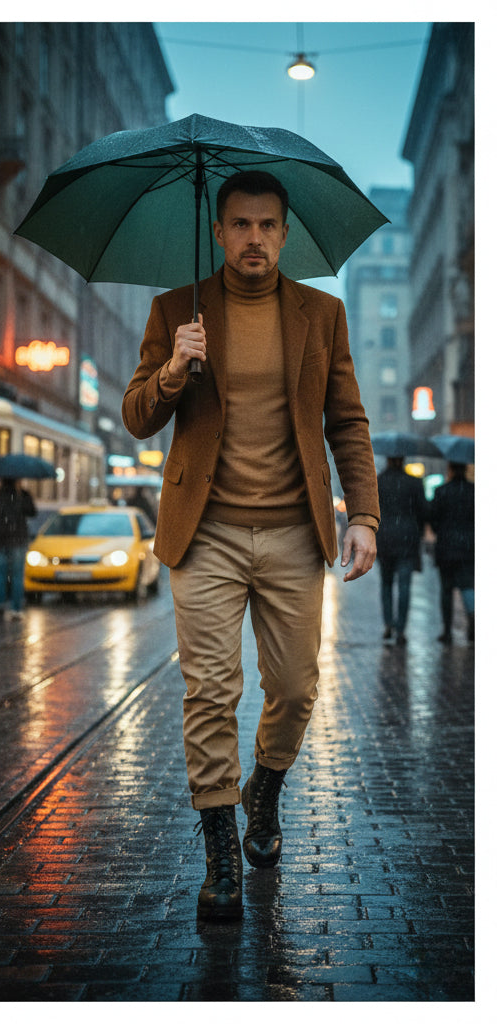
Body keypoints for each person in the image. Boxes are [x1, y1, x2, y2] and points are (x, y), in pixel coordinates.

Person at [122, 170, 379, 921]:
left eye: (268, 225)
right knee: (209, 690)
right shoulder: (178, 309)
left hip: (298, 532)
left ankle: (263, 787)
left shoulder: (321, 314)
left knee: (296, 688)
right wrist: (173, 371)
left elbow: (349, 423)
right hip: (205, 534)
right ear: (219, 230)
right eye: (241, 224)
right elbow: (137, 416)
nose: (255, 238)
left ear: (286, 232)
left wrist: (362, 514)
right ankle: (219, 850)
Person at [375, 455, 427, 645]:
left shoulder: (379, 481)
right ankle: (401, 629)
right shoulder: (414, 483)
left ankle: (388, 623)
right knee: (404, 586)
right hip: (407, 539)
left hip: (385, 539)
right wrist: (417, 532)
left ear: (388, 459)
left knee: (386, 583)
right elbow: (423, 512)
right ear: (403, 459)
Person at [429, 461, 474, 644]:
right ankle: (473, 620)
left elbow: (433, 521)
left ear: (450, 469)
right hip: (469, 549)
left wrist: (443, 531)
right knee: (467, 586)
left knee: (446, 591)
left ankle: (447, 631)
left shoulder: (441, 491)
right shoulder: (475, 491)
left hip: (446, 549)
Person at [0, 477, 36, 619]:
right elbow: (32, 512)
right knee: (17, 575)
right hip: (18, 540)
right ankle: (16, 609)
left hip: (0, 540)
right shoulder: (23, 494)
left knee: (0, 574)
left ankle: (0, 605)